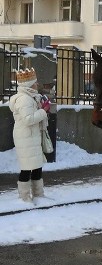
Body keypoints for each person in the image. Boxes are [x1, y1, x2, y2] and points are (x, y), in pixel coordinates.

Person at [9, 68, 50, 202]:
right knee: (27, 168)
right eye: (35, 82)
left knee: (36, 166)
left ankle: (38, 195)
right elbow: (28, 119)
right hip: (25, 137)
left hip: (31, 136)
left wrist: (41, 107)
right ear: (29, 85)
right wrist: (43, 111)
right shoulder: (24, 99)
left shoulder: (31, 97)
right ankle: (24, 198)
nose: (37, 84)